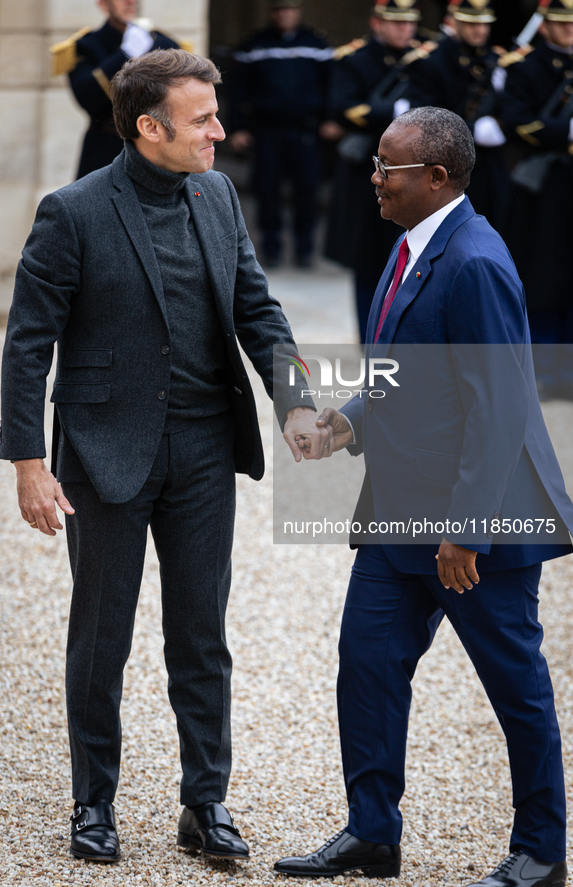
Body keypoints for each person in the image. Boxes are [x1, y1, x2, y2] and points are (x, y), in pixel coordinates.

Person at [0, 48, 331, 865]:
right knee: (100, 635)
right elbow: (26, 344)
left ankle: (205, 802)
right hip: (104, 452)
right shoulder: (72, 211)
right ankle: (93, 802)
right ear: (149, 127)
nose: (220, 130)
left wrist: (292, 401)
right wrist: (27, 462)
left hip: (205, 450)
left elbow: (260, 308)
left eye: (216, 114)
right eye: (203, 118)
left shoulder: (217, 195)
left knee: (201, 634)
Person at [274, 107, 572, 887]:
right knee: (365, 667)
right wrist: (341, 424)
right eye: (374, 162)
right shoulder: (406, 245)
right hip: (395, 515)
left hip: (476, 526)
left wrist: (465, 528)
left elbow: (501, 404)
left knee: (514, 688)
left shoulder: (475, 262)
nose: (371, 176)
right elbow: (407, 372)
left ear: (435, 178)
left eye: (386, 167)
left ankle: (542, 851)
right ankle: (373, 833)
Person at [324, 0, 427, 342]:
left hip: (411, 169)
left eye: (409, 23)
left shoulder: (424, 59)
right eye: (396, 23)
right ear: (376, 23)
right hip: (365, 169)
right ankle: (372, 334)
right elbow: (343, 108)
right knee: (367, 255)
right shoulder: (355, 59)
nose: (405, 29)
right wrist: (393, 110)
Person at [502, 0, 573, 400]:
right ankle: (544, 369)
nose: (569, 31)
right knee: (545, 278)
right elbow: (518, 121)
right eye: (562, 24)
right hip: (546, 187)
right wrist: (564, 131)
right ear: (545, 26)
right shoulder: (525, 66)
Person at [227, 0, 332, 268]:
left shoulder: (316, 43)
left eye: (290, 9)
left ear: (298, 11)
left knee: (307, 189)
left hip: (305, 129)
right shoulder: (255, 44)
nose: (284, 14)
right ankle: (271, 246)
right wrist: (237, 127)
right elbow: (238, 89)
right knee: (267, 188)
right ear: (271, 12)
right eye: (279, 9)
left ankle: (304, 247)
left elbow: (331, 83)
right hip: (267, 131)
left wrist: (330, 119)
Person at [406, 0, 510, 233]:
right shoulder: (433, 61)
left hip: (487, 163)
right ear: (454, 21)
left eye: (484, 24)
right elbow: (426, 120)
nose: (480, 30)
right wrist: (472, 129)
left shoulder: (493, 59)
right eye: (472, 23)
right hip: (448, 165)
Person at [50, 0, 180, 179]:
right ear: (103, 4)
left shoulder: (163, 43)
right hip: (105, 150)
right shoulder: (87, 45)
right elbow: (87, 97)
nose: (130, 2)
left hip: (155, 150)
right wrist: (125, 54)